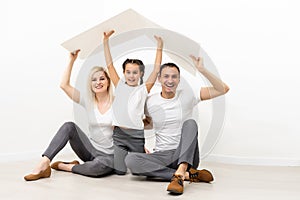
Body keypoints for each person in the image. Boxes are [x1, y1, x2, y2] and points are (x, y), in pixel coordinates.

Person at [125, 55, 230, 194]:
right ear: (159, 79)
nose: (170, 80)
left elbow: (223, 89)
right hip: (162, 155)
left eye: (174, 77)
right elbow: (145, 123)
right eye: (166, 76)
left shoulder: (188, 94)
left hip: (186, 154)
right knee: (131, 160)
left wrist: (202, 70)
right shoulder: (150, 101)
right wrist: (138, 143)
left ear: (179, 80)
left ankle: (181, 169)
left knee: (190, 123)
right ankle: (187, 175)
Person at [24, 50, 115, 181]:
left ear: (108, 81)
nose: (98, 82)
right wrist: (71, 61)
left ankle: (64, 167)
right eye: (94, 80)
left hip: (108, 156)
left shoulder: (117, 103)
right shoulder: (88, 101)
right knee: (69, 126)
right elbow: (64, 85)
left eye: (102, 78)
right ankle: (44, 163)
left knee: (99, 168)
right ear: (90, 84)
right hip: (90, 150)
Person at [103, 30, 163, 175]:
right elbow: (109, 65)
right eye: (128, 72)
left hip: (136, 136)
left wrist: (160, 45)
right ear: (124, 73)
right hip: (119, 136)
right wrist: (106, 41)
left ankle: (141, 152)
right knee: (120, 171)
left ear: (141, 74)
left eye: (135, 72)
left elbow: (156, 70)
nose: (131, 75)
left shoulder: (143, 89)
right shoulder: (120, 86)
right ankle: (126, 155)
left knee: (137, 171)